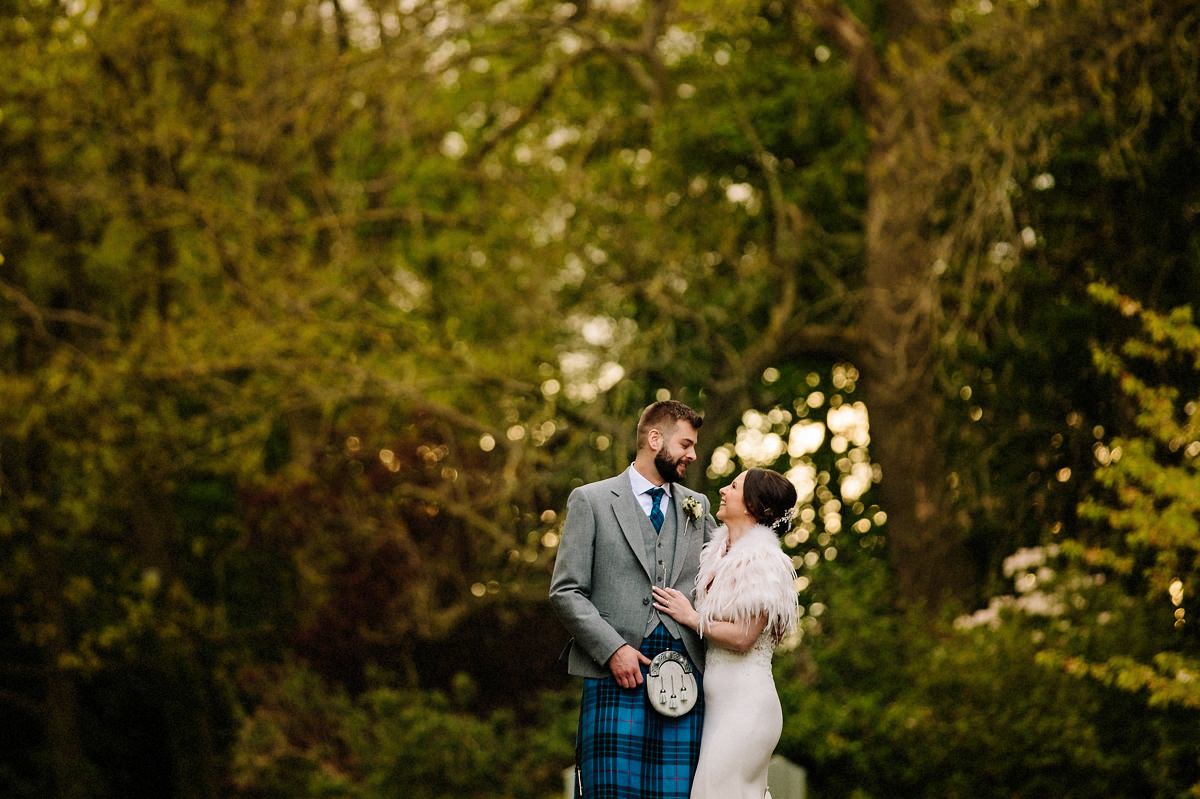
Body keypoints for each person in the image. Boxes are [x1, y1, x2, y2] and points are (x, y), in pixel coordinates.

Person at [549, 400, 717, 799]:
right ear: (654, 439)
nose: (692, 455)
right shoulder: (590, 501)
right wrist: (612, 649)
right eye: (686, 444)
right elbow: (566, 590)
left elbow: (726, 576)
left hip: (686, 681)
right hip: (616, 676)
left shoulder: (699, 507)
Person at [652, 468, 799, 799]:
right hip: (719, 707)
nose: (722, 490)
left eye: (733, 486)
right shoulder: (719, 556)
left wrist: (691, 617)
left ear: (751, 505)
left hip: (747, 707)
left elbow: (743, 637)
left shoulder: (763, 560)